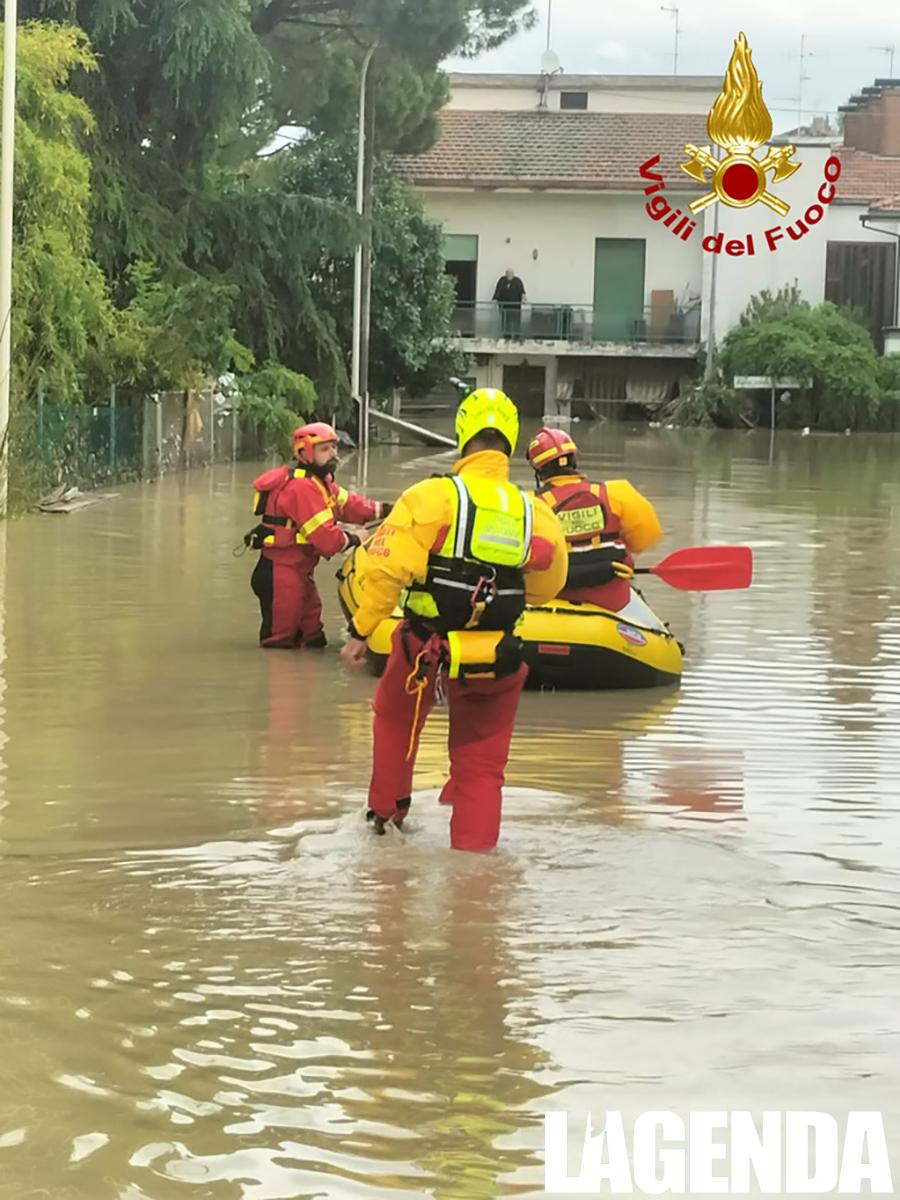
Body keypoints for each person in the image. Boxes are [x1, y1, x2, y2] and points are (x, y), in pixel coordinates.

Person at [340, 388, 568, 852]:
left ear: (463, 436)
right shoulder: (536, 513)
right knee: (482, 767)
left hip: (423, 647)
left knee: (394, 723)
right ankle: (475, 868)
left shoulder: (431, 497)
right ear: (511, 439)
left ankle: (386, 818)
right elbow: (546, 587)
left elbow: (384, 572)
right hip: (496, 656)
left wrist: (361, 631)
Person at [245, 422, 390, 649]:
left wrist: (389, 510)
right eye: (325, 449)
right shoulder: (301, 488)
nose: (333, 454)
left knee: (313, 638)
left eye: (333, 447)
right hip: (281, 573)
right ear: (304, 453)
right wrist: (355, 538)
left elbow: (352, 506)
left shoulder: (321, 482)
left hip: (299, 571)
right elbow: (327, 540)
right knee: (280, 644)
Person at [525, 426, 662, 613]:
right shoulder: (618, 493)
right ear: (573, 460)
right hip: (611, 604)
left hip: (550, 604)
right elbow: (647, 539)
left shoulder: (529, 504)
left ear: (538, 471)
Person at [492, 268, 526, 338]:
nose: (509, 275)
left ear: (513, 274)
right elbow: (498, 290)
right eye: (508, 273)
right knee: (505, 322)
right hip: (504, 307)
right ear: (506, 274)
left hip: (515, 307)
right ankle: (506, 337)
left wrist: (523, 299)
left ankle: (517, 337)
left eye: (511, 273)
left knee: (516, 322)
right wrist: (495, 299)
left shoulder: (517, 281)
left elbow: (522, 292)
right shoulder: (502, 280)